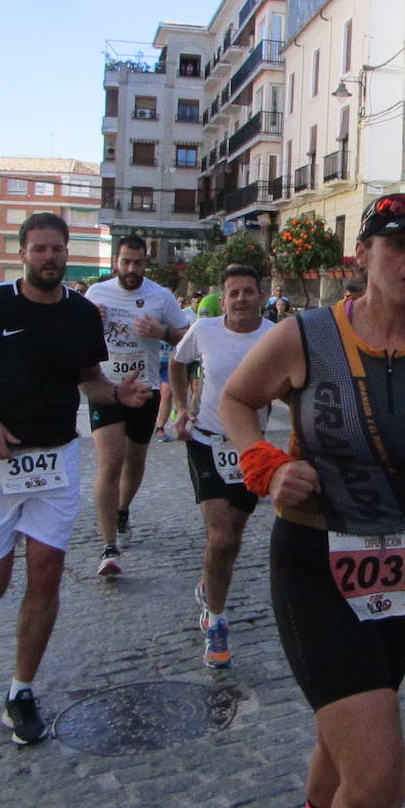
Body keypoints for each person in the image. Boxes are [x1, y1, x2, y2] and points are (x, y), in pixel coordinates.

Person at [220, 193, 405, 808]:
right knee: (379, 777)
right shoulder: (307, 335)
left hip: (404, 571)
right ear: (362, 255)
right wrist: (265, 465)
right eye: (399, 245)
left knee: (340, 746)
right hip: (315, 563)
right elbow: (237, 399)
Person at [0, 213, 151, 745]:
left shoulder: (81, 313)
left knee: (47, 571)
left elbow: (89, 380)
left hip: (55, 460)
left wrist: (117, 395)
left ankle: (21, 691)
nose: (50, 257)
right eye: (39, 249)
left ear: (67, 251)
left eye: (57, 248)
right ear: (22, 253)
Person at [168, 263, 275, 668]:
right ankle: (216, 620)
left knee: (234, 534)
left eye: (248, 291)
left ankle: (211, 584)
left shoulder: (275, 336)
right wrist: (181, 408)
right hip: (206, 440)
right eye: (234, 293)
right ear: (223, 298)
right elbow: (177, 362)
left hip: (250, 447)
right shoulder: (204, 330)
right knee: (222, 534)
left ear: (261, 295)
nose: (241, 299)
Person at [84, 235, 191, 576]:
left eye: (138, 263)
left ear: (146, 263)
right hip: (106, 388)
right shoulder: (96, 294)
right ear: (115, 262)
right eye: (126, 262)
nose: (131, 269)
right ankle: (108, 547)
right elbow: (73, 335)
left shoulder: (160, 296)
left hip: (144, 389)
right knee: (110, 461)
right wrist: (89, 321)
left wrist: (162, 332)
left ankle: (123, 510)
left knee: (135, 459)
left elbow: (188, 336)